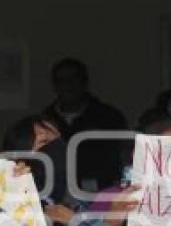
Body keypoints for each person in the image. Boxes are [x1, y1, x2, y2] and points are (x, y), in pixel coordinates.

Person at [42, 57, 128, 191]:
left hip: (102, 196)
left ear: (84, 82)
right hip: (56, 194)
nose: (67, 85)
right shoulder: (44, 121)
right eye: (60, 81)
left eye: (72, 79)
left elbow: (124, 158)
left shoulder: (109, 117)